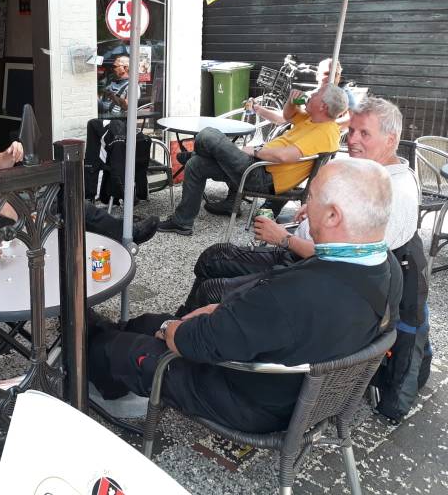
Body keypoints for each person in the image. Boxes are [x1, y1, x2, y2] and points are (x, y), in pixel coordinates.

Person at [88, 158, 402, 434]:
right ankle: (104, 333)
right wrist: (214, 312)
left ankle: (98, 369)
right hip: (299, 388)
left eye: (312, 197)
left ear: (333, 216)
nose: (305, 208)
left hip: (249, 400)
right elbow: (258, 320)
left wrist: (171, 329)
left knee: (118, 349)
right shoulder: (388, 267)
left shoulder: (296, 293)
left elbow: (194, 342)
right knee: (146, 323)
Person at [179, 97, 416, 314]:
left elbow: (345, 263)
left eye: (364, 134)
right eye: (352, 130)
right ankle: (184, 323)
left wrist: (284, 239)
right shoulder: (373, 173)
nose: (352, 140)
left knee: (211, 291)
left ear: (390, 140)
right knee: (213, 257)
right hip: (300, 256)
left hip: (312, 274)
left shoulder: (395, 193)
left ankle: (183, 334)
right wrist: (316, 207)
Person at [0, 82, 159, 244]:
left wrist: (10, 153)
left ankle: (123, 233)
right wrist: (27, 212)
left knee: (64, 198)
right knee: (44, 221)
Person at [158, 83, 347, 235]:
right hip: (257, 167)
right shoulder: (312, 119)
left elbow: (283, 156)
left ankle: (196, 154)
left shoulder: (325, 132)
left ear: (323, 106)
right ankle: (182, 222)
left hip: (262, 176)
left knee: (208, 135)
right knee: (196, 165)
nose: (311, 94)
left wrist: (255, 151)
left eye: (316, 94)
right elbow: (287, 115)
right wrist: (292, 101)